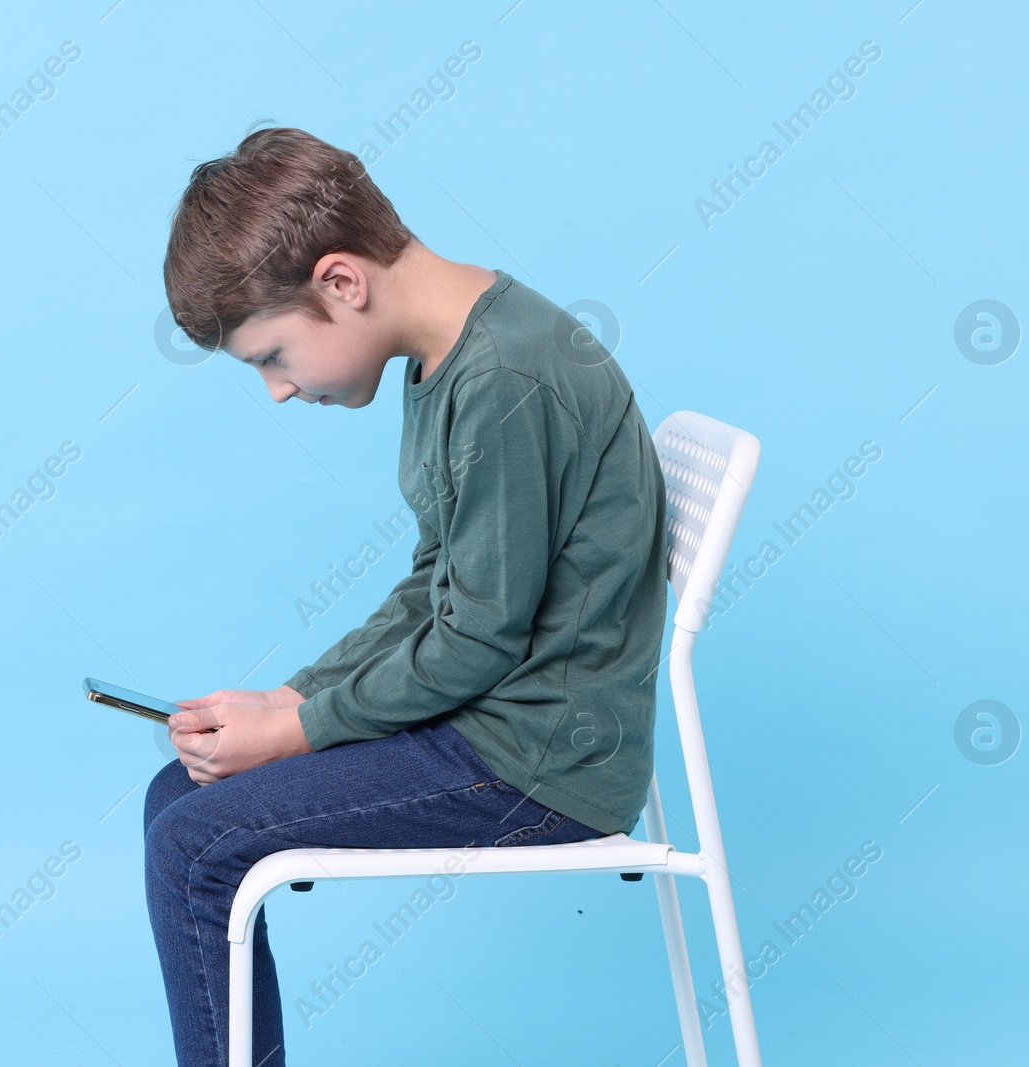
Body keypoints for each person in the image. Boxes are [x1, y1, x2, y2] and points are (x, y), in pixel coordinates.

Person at [145, 126, 669, 1066]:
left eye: (272, 354)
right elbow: (436, 585)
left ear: (341, 283)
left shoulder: (507, 380)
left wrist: (301, 730)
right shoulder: (450, 359)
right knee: (175, 799)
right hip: (497, 722)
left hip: (540, 760)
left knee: (194, 848)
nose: (275, 389)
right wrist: (293, 698)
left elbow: (474, 640)